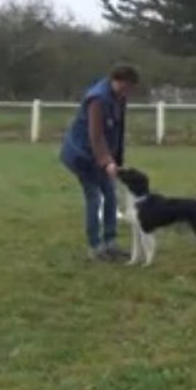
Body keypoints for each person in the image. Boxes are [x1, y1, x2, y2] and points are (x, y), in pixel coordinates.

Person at [60, 63, 140, 262]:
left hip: (103, 156)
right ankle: (95, 247)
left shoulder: (118, 97)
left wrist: (116, 160)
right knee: (94, 198)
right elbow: (96, 135)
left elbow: (117, 130)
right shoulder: (97, 99)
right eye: (125, 88)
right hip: (82, 156)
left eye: (130, 90)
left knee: (111, 196)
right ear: (117, 81)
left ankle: (110, 243)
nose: (127, 93)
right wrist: (107, 162)